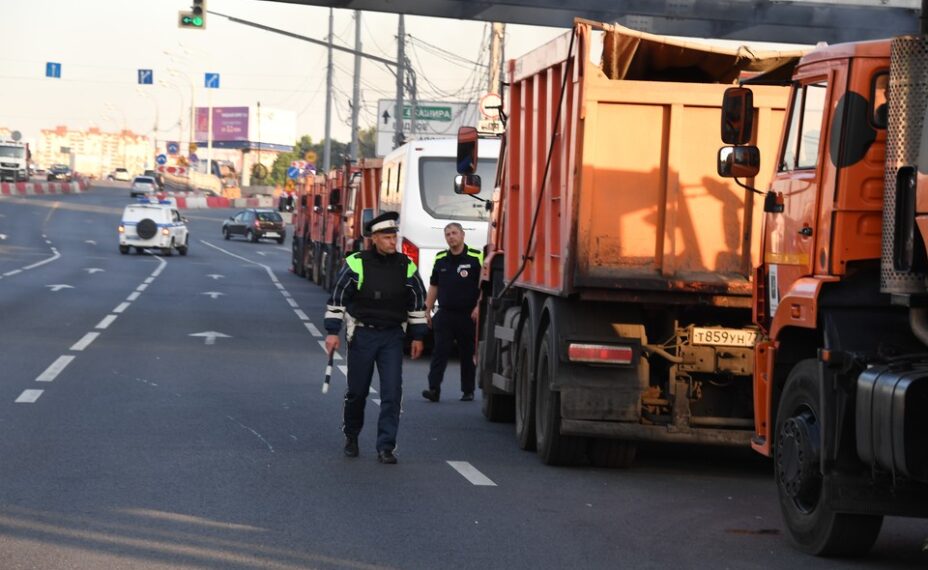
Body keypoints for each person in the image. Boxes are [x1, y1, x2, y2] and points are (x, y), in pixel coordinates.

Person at [324, 211, 428, 464]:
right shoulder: (357, 263)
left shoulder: (406, 266)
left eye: (395, 237)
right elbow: (338, 299)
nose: (394, 242)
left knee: (392, 392)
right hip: (362, 335)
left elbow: (417, 301)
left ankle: (386, 446)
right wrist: (331, 332)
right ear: (375, 239)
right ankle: (351, 435)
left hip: (392, 337)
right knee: (357, 392)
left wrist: (418, 336)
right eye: (388, 237)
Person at [422, 223, 483, 403]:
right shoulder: (441, 258)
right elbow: (434, 285)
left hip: (467, 314)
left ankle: (468, 390)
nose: (451, 237)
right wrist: (427, 308)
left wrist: (479, 307)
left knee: (466, 353)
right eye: (447, 234)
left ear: (463, 235)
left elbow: (484, 287)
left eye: (454, 233)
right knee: (439, 352)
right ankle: (434, 389)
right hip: (445, 313)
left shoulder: (475, 257)